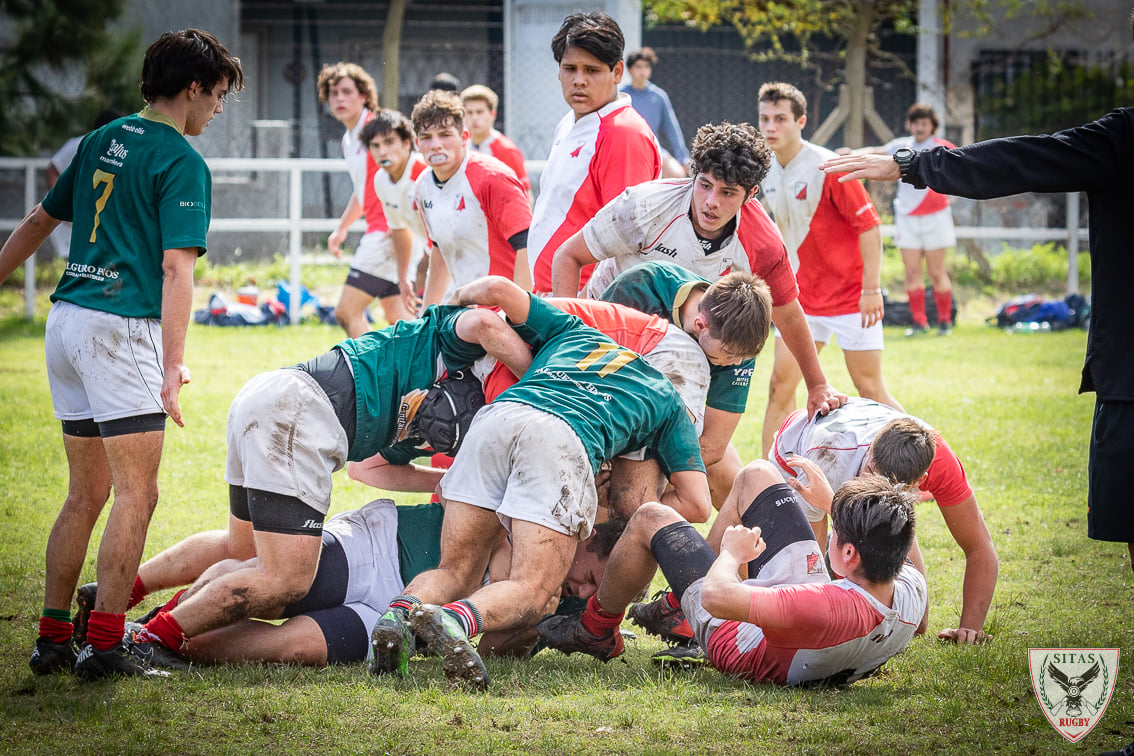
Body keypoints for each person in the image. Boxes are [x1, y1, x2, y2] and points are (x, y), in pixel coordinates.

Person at [817, 65, 1134, 581]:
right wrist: (913, 164)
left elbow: (1024, 161)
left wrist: (911, 163)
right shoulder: (1125, 136)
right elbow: (1027, 159)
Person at [0, 28, 244, 680]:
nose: (218, 110)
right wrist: (171, 364)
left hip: (66, 322)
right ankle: (105, 644)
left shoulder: (98, 140)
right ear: (192, 88)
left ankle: (53, 636)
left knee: (86, 493)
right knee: (139, 492)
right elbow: (174, 269)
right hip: (117, 329)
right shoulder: (181, 159)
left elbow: (35, 223)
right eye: (217, 96)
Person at [119, 301, 533, 670]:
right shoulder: (449, 338)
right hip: (300, 413)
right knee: (285, 578)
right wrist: (534, 381)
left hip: (280, 402)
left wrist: (449, 482)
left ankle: (127, 606)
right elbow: (484, 320)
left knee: (244, 552)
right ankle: (148, 638)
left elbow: (367, 470)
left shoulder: (455, 403)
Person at [368, 275, 711, 691]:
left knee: (454, 570)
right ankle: (454, 620)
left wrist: (454, 299)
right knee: (534, 593)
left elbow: (496, 288)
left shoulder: (576, 330)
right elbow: (697, 506)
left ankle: (398, 614)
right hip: (561, 439)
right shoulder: (666, 397)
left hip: (498, 417)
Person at [76, 499, 624, 668]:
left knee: (290, 647)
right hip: (380, 549)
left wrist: (543, 625)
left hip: (394, 613)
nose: (579, 589)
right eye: (590, 577)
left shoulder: (545, 587)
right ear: (589, 537)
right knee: (272, 583)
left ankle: (172, 649)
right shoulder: (549, 509)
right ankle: (140, 628)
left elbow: (500, 647)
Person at [537, 457, 926, 688]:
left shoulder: (820, 605)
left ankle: (596, 629)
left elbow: (718, 597)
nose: (829, 526)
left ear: (848, 552)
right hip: (812, 634)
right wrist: (832, 502)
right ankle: (675, 608)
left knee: (650, 517)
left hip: (741, 642)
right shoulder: (910, 586)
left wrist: (730, 554)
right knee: (757, 473)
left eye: (835, 527)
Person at [770, 398, 998, 644]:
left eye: (886, 490)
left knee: (914, 620)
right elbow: (809, 564)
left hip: (849, 465)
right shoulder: (823, 464)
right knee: (820, 582)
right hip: (796, 452)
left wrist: (970, 628)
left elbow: (980, 548)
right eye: (870, 473)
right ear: (870, 451)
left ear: (918, 483)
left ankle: (845, 538)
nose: (873, 486)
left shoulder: (941, 462)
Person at [757, 81, 904, 457]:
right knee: (780, 386)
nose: (771, 127)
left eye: (780, 119)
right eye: (764, 119)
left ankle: (927, 465)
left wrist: (871, 289)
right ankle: (770, 477)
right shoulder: (763, 170)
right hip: (798, 301)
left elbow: (870, 227)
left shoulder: (828, 167)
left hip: (851, 298)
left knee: (870, 387)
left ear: (801, 121)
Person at [527, 11, 662, 293]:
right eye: (570, 68)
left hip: (586, 302)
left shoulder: (623, 133)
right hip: (553, 294)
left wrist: (588, 311)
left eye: (591, 70)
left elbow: (626, 242)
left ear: (617, 72)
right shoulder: (570, 121)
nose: (578, 80)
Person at [842, 103, 958, 336]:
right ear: (909, 125)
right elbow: (876, 151)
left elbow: (959, 171)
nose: (919, 127)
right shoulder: (902, 146)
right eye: (915, 123)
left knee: (937, 272)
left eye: (924, 123)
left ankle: (945, 322)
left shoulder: (942, 148)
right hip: (907, 217)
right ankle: (919, 323)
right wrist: (850, 154)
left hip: (935, 217)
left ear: (932, 126)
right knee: (912, 272)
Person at [412, 90, 533, 308]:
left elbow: (528, 246)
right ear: (417, 143)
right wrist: (428, 312)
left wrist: (521, 317)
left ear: (464, 138)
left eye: (445, 134)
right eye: (426, 137)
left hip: (503, 309)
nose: (436, 144)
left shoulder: (492, 177)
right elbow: (439, 249)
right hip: (465, 305)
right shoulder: (422, 185)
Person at [317, 63, 408, 335]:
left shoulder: (377, 132)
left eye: (347, 91)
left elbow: (408, 175)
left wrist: (400, 231)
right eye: (333, 93)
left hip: (388, 232)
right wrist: (342, 227)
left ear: (364, 96)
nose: (339, 99)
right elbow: (364, 190)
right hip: (384, 230)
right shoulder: (350, 138)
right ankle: (416, 375)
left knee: (346, 312)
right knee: (400, 319)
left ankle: (375, 373)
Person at [360, 109, 431, 315]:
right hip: (437, 254)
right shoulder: (381, 180)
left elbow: (448, 234)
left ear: (407, 143)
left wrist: (424, 269)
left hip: (461, 255)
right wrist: (403, 278)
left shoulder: (425, 175)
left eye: (389, 142)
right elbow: (400, 229)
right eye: (375, 145)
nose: (382, 152)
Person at [44, 109, 124, 259]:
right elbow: (52, 170)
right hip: (70, 219)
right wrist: (62, 204)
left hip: (94, 216)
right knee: (75, 263)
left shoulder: (117, 149)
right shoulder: (82, 143)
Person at [620, 47, 689, 178]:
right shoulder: (621, 95)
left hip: (653, 150)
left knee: (678, 175)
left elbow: (672, 129)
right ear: (630, 70)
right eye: (638, 66)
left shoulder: (659, 96)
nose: (643, 70)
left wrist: (683, 157)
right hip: (626, 152)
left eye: (646, 66)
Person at [460, 85, 532, 200]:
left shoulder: (507, 150)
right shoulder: (461, 146)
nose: (474, 118)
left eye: (479, 112)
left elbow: (525, 196)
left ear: (493, 114)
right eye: (469, 112)